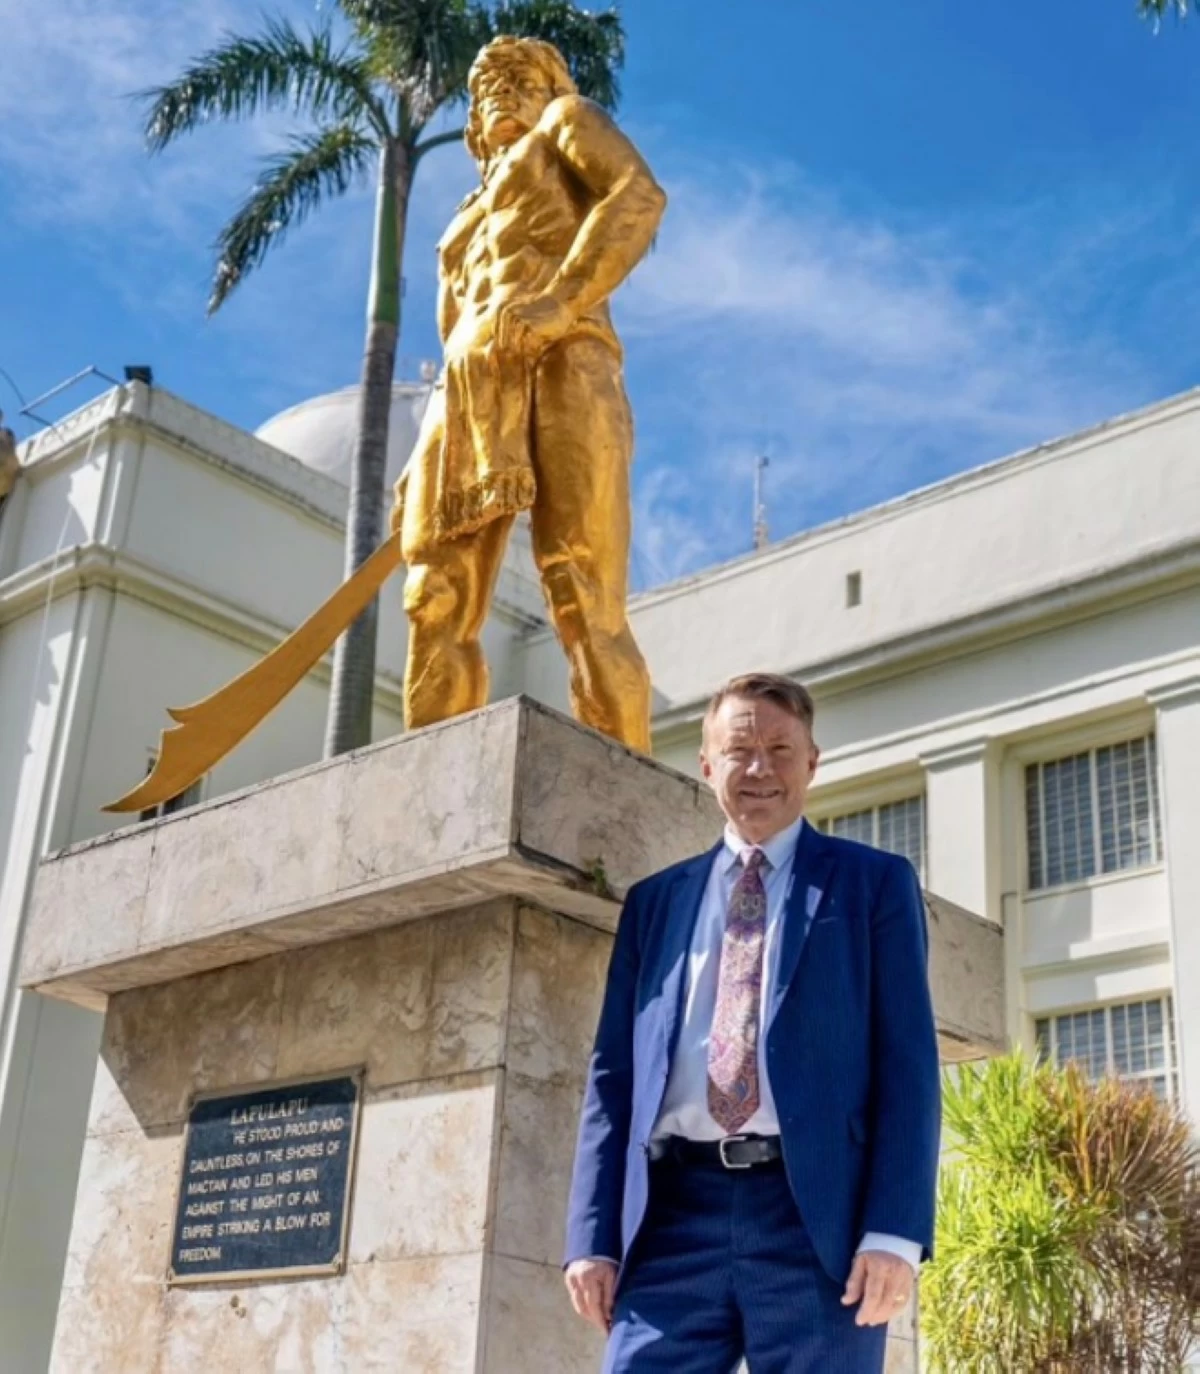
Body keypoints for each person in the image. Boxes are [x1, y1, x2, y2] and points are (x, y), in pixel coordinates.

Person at [564, 672, 941, 1372]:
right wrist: (593, 1236)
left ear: (812, 763)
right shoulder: (655, 903)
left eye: (780, 748)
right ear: (708, 766)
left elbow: (908, 1068)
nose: (760, 768)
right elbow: (612, 1076)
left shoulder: (871, 885)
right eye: (739, 750)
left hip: (815, 1220)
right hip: (672, 1214)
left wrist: (894, 1230)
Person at [391, 36, 665, 753]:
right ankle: (430, 794)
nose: (504, 91)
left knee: (579, 588)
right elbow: (453, 329)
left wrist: (563, 300)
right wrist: (425, 447)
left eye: (523, 79)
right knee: (432, 595)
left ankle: (621, 799)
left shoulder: (565, 124)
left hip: (567, 361)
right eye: (489, 86)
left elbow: (638, 194)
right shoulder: (461, 216)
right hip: (469, 390)